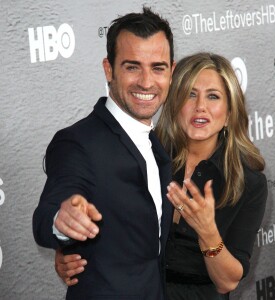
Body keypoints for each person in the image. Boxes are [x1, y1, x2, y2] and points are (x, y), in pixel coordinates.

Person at [55, 52, 268, 300]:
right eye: (190, 94)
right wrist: (68, 253)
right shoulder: (141, 156)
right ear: (174, 102)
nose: (200, 106)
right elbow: (102, 228)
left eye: (213, 96)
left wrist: (207, 231)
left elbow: (226, 282)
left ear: (230, 113)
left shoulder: (248, 182)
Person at [32, 7, 176, 300]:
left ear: (171, 72)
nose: (147, 82)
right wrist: (62, 220)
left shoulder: (156, 141)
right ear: (109, 69)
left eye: (157, 68)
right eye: (132, 66)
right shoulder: (78, 142)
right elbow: (48, 212)